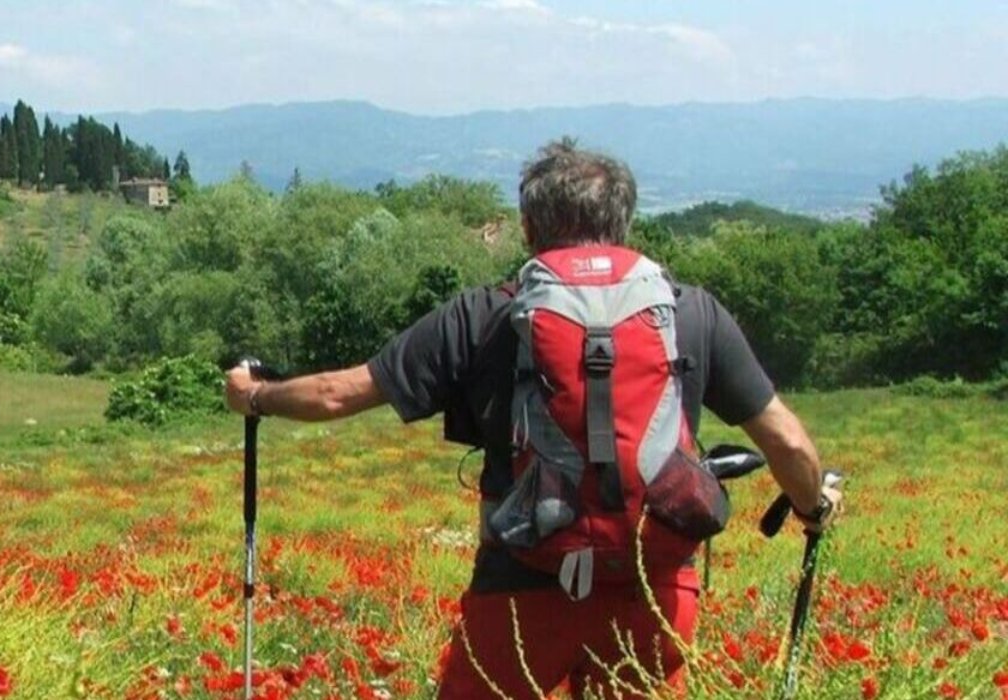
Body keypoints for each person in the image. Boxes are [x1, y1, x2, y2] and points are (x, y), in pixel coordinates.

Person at [222, 138, 842, 699]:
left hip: (520, 585)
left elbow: (338, 394)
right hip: (650, 592)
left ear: (527, 228)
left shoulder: (485, 315)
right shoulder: (692, 314)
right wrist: (813, 508)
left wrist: (256, 395)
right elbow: (786, 442)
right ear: (623, 223)